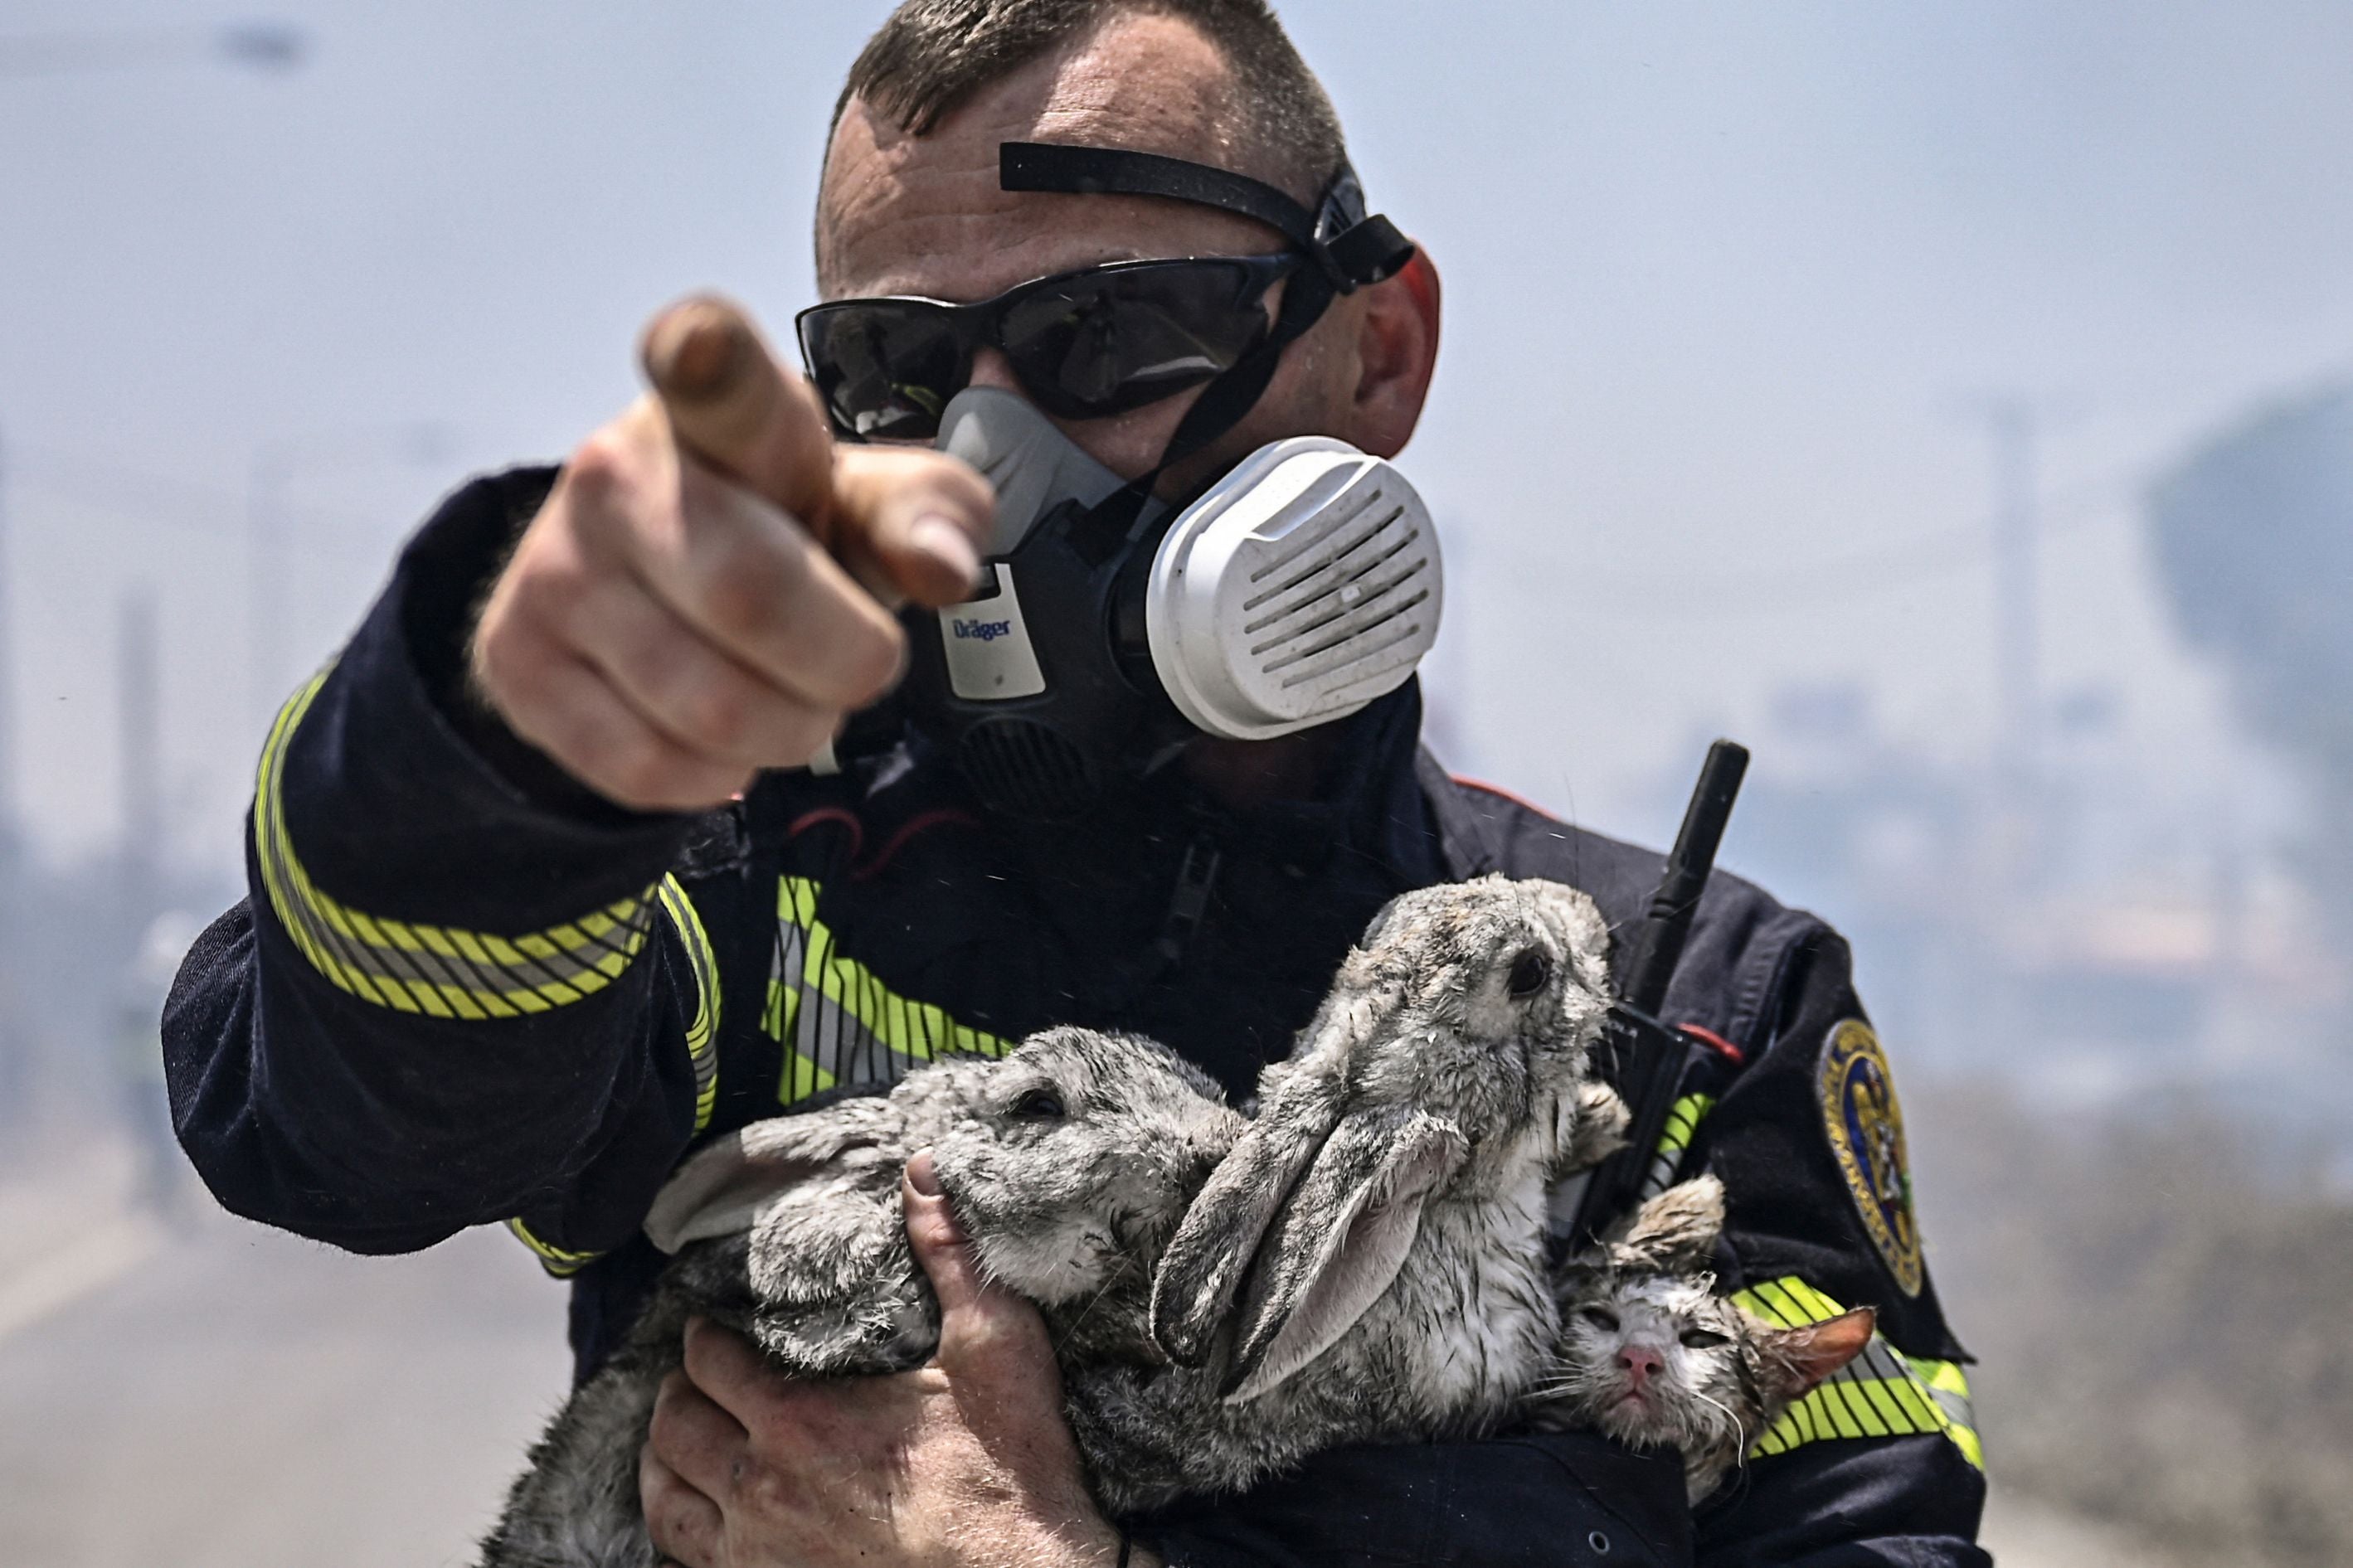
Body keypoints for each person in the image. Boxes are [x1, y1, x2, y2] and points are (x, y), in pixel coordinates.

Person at [162, 2, 1989, 1565]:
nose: (985, 463)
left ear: (1380, 350)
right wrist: (495, 761)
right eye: (892, 373)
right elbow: (345, 1136)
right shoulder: (744, 870)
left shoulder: (1665, 1026)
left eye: (1109, 342)